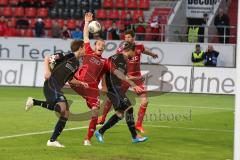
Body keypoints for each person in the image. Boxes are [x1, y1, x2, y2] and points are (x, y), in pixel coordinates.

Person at [70, 13, 143, 146]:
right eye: (99, 44)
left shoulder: (105, 62)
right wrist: (86, 22)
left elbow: (116, 73)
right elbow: (85, 36)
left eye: (103, 45)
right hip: (78, 82)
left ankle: (88, 138)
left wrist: (131, 84)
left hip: (91, 90)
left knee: (96, 111)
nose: (102, 46)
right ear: (95, 45)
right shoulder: (88, 51)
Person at [25, 40, 88, 148]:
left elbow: (70, 79)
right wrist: (47, 71)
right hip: (50, 85)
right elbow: (47, 58)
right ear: (80, 48)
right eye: (84, 47)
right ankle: (52, 141)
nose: (86, 49)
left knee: (63, 112)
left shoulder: (77, 64)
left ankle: (34, 102)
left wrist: (81, 83)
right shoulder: (66, 56)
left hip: (56, 88)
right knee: (64, 110)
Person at [98, 29, 158, 133]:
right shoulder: (121, 49)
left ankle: (138, 125)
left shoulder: (139, 47)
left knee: (145, 101)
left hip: (137, 78)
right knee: (111, 98)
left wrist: (152, 54)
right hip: (125, 78)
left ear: (133, 38)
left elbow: (145, 50)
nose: (127, 39)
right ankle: (102, 117)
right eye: (125, 37)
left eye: (129, 37)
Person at [95, 41, 148, 144]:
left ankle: (100, 132)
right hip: (113, 87)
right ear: (131, 50)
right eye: (135, 52)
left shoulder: (124, 61)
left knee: (120, 114)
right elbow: (107, 70)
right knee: (129, 107)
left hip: (116, 87)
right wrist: (104, 85)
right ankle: (134, 136)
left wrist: (137, 79)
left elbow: (124, 76)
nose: (135, 55)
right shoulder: (118, 57)